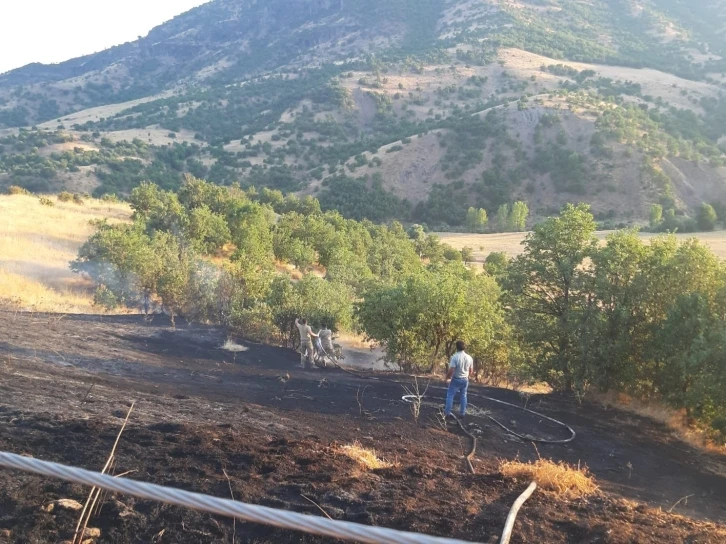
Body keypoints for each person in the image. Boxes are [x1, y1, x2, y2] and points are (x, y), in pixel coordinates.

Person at [444, 340, 473, 418]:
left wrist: (447, 377)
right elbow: (471, 370)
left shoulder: (455, 357)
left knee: (450, 395)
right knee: (463, 395)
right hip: (465, 379)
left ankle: (447, 412)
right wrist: (468, 376)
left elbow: (452, 369)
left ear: (456, 347)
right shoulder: (469, 358)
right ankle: (462, 413)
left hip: (456, 379)